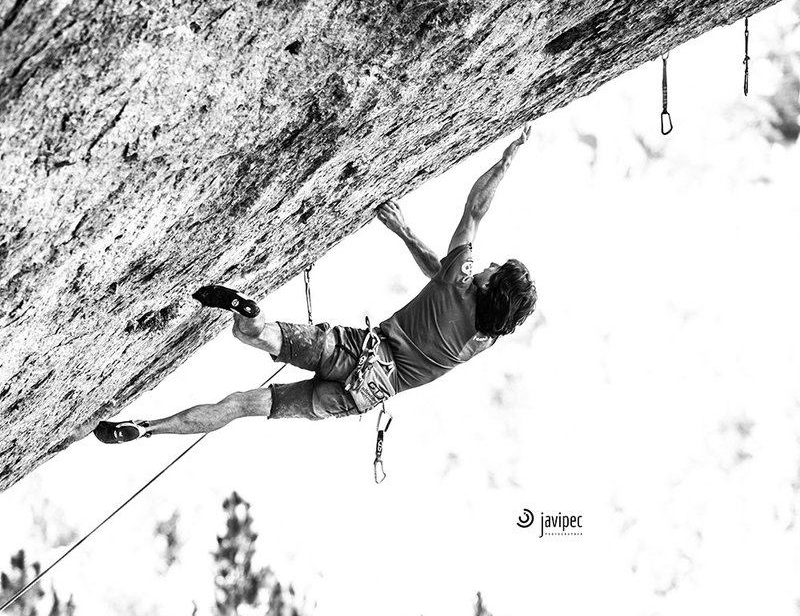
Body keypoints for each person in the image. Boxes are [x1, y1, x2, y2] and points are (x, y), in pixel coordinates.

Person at [94, 126, 537, 444]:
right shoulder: (481, 339)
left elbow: (474, 212)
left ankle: (252, 317)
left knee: (255, 335)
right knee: (244, 405)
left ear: (489, 284)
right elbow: (437, 273)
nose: (488, 264)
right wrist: (405, 235)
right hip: (360, 395)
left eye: (493, 268)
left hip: (357, 349)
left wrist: (507, 159)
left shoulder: (459, 279)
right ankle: (149, 429)